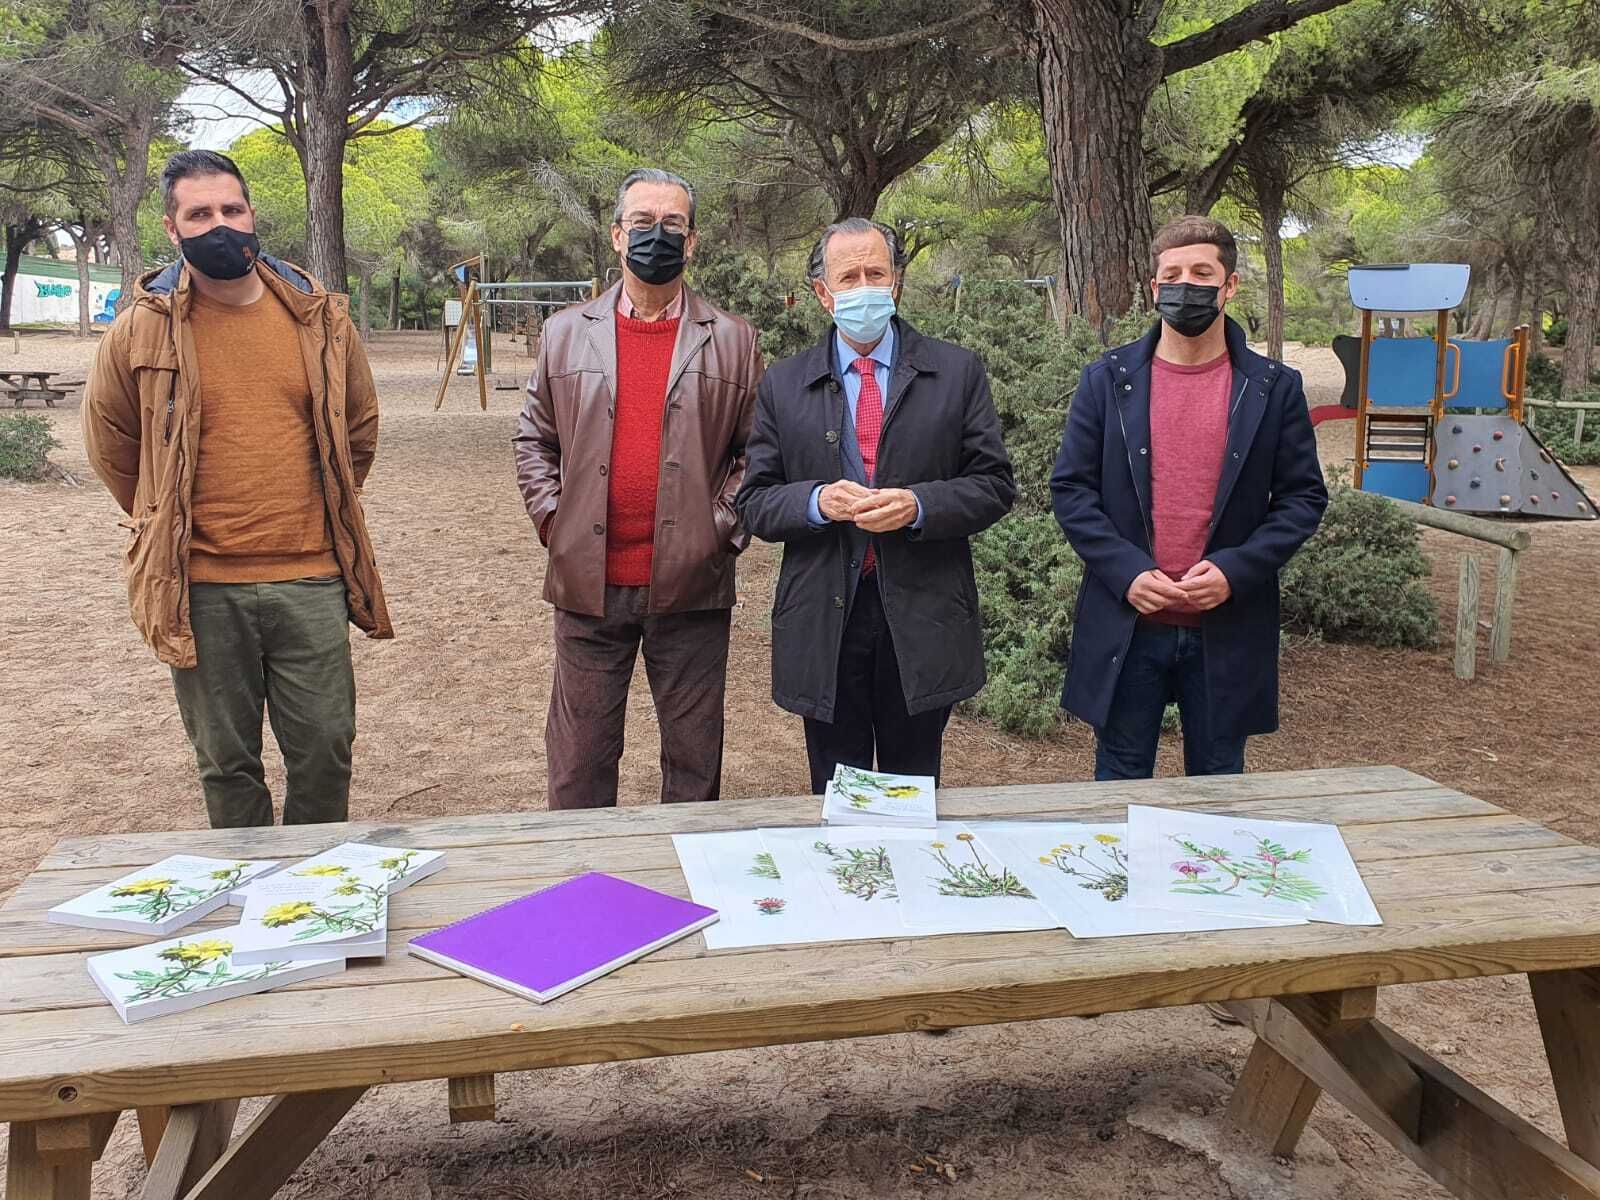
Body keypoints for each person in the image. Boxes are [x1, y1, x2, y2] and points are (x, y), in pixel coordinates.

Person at [82, 149, 392, 828]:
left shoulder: (320, 321)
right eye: (200, 214)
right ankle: (250, 901)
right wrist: (165, 515)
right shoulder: (141, 326)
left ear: (253, 215)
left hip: (310, 578)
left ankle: (313, 894)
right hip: (200, 584)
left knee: (326, 749)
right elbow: (112, 443)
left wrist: (324, 506)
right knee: (226, 762)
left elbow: (358, 431)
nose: (219, 224)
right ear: (173, 229)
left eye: (231, 209)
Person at [737, 218, 1014, 794]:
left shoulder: (956, 372)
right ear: (823, 293)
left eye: (875, 273)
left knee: (914, 787)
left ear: (896, 284)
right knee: (838, 791)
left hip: (923, 612)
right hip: (824, 615)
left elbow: (993, 485)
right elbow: (756, 502)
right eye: (848, 276)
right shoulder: (783, 385)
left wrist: (918, 505)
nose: (863, 286)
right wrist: (816, 500)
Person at [514, 168, 763, 809]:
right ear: (618, 235)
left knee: (693, 757)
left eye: (673, 224)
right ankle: (584, 884)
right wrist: (554, 521)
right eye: (644, 223)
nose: (659, 236)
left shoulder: (733, 339)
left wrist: (719, 531)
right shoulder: (566, 332)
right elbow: (534, 440)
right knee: (579, 760)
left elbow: (758, 453)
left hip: (691, 584)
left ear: (693, 240)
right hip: (590, 583)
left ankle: (687, 883)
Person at [1051, 214, 1327, 780]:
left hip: (1227, 627)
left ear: (1229, 286)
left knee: (1218, 788)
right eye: (1171, 274)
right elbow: (1072, 490)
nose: (1184, 286)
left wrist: (1235, 570)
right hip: (1128, 626)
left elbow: (1302, 498)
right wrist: (1127, 571)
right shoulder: (1106, 379)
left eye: (1202, 273)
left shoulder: (1273, 388)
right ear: (1154, 288)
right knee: (1119, 783)